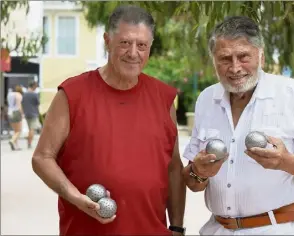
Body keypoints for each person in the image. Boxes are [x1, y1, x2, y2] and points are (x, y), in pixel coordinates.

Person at [32, 5, 186, 235]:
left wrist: (176, 227)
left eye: (141, 45)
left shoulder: (163, 97)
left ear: (149, 47)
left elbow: (174, 168)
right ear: (107, 40)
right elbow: (42, 158)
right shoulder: (73, 94)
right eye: (125, 43)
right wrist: (75, 197)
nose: (133, 53)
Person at [182, 16, 294, 235]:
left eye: (243, 57)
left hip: (279, 229)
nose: (235, 68)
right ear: (213, 60)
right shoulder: (206, 99)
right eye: (225, 59)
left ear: (260, 55)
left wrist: (285, 161)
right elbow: (193, 183)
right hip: (219, 229)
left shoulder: (291, 93)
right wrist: (198, 171)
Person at [22, 81, 40, 149]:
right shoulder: (34, 94)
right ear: (33, 86)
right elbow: (38, 103)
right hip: (33, 113)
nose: (36, 87)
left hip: (26, 114)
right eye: (36, 86)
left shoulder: (24, 94)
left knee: (30, 129)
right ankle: (29, 144)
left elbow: (22, 103)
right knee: (32, 129)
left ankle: (28, 141)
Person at [7, 85, 24, 150]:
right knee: (19, 130)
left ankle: (16, 146)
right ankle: (12, 140)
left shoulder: (10, 94)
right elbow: (19, 105)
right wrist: (22, 114)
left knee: (15, 131)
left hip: (10, 112)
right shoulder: (19, 95)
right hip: (16, 112)